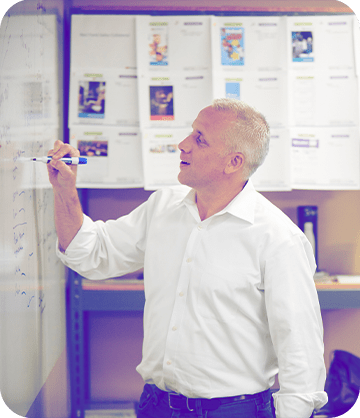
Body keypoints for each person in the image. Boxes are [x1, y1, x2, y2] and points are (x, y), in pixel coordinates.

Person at [47, 98, 328, 418]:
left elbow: (300, 352)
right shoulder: (163, 207)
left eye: (200, 139)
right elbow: (90, 255)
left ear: (233, 162)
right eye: (191, 133)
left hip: (235, 411)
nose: (182, 145)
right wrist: (64, 189)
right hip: (156, 406)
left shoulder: (279, 239)